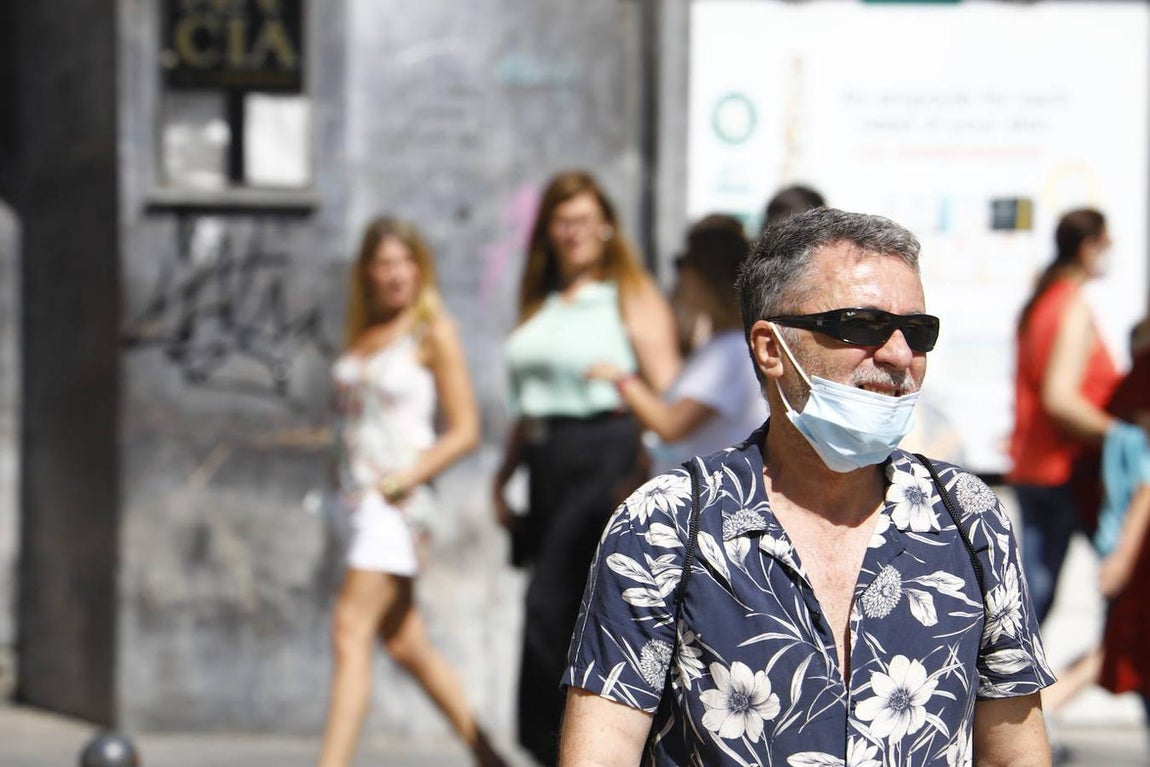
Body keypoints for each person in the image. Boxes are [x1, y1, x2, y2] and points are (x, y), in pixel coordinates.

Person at [559, 208, 1054, 766]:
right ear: (771, 349)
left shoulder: (968, 517)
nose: (897, 355)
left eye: (917, 333)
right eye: (861, 326)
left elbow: (1014, 753)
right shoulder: (665, 524)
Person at [492, 170, 680, 766]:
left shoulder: (630, 293)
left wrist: (645, 466)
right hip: (546, 468)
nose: (572, 233)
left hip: (605, 462)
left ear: (606, 226)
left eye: (582, 219)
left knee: (566, 608)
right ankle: (557, 748)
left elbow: (671, 393)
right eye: (561, 220)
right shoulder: (541, 299)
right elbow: (529, 406)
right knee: (550, 609)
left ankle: (585, 749)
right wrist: (503, 477)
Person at [317, 217, 505, 767]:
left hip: (394, 503)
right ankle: (490, 758)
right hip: (350, 501)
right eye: (384, 263)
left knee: (349, 628)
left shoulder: (432, 331)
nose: (396, 274)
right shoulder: (365, 331)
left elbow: (466, 429)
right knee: (405, 643)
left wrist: (405, 478)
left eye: (405, 262)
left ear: (420, 268)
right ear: (367, 273)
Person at [1007, 208, 1122, 627]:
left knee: (1032, 598)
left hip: (1039, 468)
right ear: (1088, 248)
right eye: (1107, 245)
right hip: (1066, 470)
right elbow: (1060, 397)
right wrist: (1122, 435)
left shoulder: (1043, 299)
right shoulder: (1069, 305)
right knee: (1122, 580)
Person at [587, 213, 767, 475]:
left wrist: (620, 379)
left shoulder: (730, 352)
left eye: (683, 265)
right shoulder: (718, 346)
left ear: (701, 275)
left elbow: (670, 425)